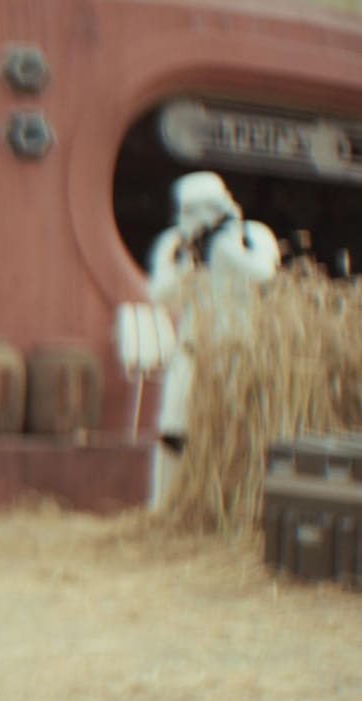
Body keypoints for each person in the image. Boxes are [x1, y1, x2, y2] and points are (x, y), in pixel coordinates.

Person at [117, 171, 280, 510]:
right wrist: (188, 263)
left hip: (239, 351)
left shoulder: (252, 236)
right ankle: (164, 507)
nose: (189, 220)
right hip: (192, 350)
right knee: (174, 429)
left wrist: (223, 249)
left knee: (234, 431)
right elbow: (161, 294)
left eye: (199, 211)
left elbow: (265, 276)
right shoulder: (175, 243)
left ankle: (229, 507)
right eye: (185, 211)